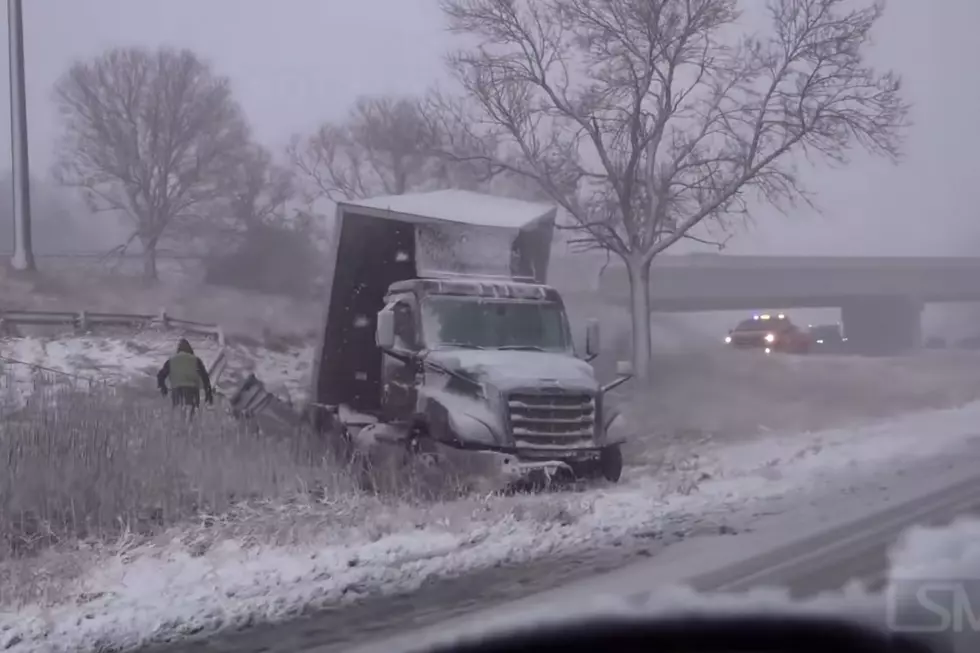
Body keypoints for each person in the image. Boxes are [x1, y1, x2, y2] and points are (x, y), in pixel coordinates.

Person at [157, 338, 214, 414]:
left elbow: (160, 375)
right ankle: (190, 423)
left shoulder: (171, 360)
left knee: (177, 411)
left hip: (176, 389)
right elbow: (205, 377)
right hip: (192, 389)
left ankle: (179, 424)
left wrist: (163, 388)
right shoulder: (195, 360)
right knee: (191, 412)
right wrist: (208, 393)